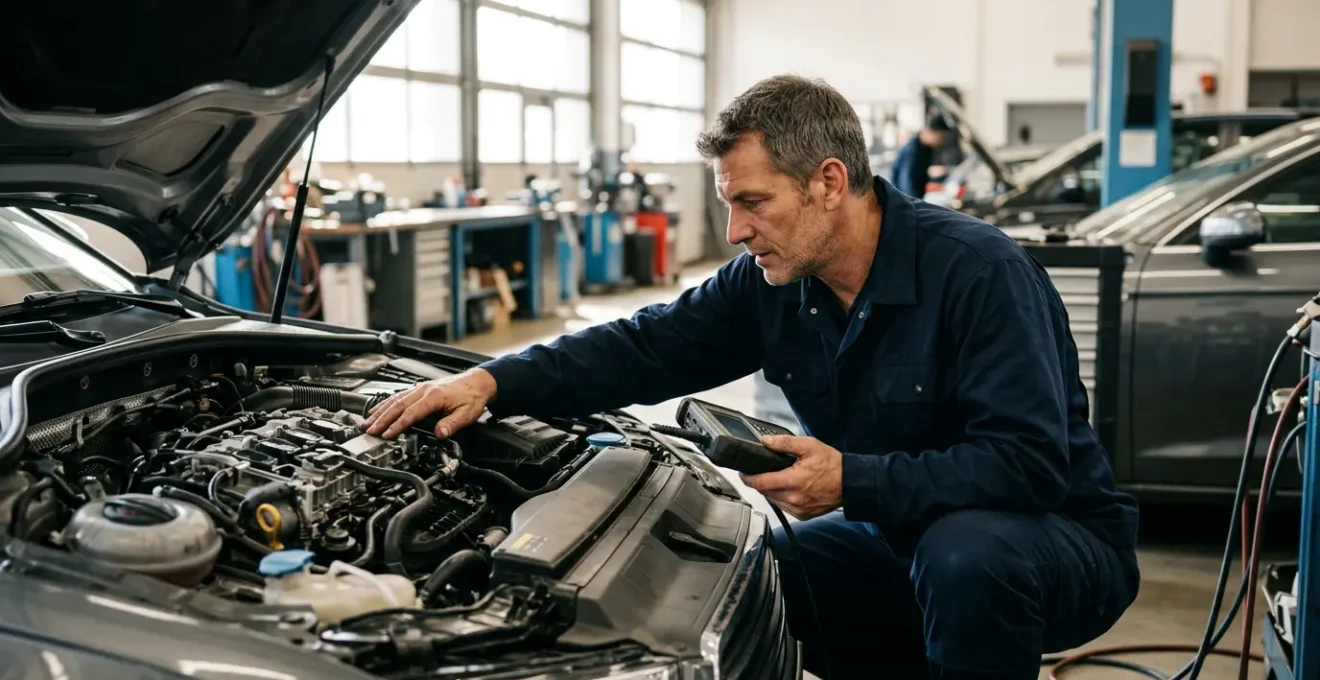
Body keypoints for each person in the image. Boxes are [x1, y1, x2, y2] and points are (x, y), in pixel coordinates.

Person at [364, 74, 1140, 680]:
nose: (735, 232)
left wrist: (853, 482)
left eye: (752, 203)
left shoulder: (978, 272)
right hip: (906, 536)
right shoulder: (772, 283)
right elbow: (643, 345)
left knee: (966, 555)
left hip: (1055, 542)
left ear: (828, 183)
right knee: (761, 573)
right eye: (728, 205)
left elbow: (1029, 468)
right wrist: (492, 383)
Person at [891, 112, 952, 198]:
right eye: (941, 137)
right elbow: (906, 180)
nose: (942, 141)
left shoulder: (926, 149)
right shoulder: (912, 150)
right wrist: (913, 205)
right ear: (932, 132)